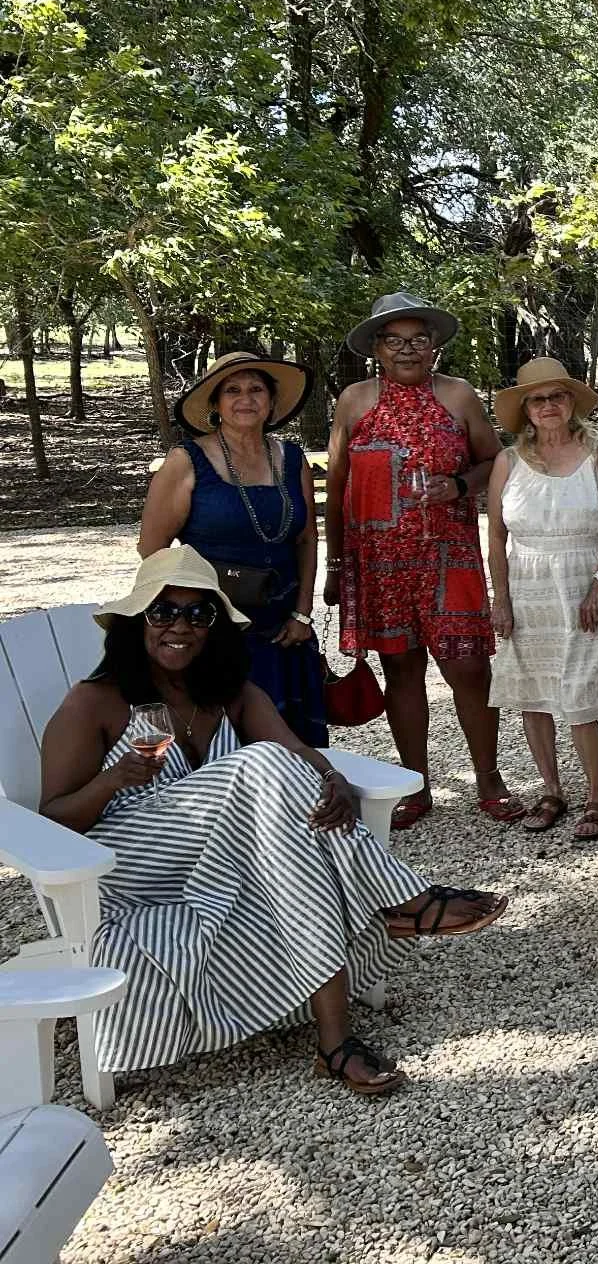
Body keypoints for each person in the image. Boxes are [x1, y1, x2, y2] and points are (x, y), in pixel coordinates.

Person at [39, 549, 508, 1096]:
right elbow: (54, 817)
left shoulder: (232, 695)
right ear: (135, 622)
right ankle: (402, 901)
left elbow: (299, 755)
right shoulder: (95, 702)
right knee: (262, 763)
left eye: (198, 614)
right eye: (162, 612)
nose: (180, 627)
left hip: (216, 865)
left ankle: (335, 1043)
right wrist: (113, 780)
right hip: (127, 867)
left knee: (294, 835)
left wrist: (332, 779)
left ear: (215, 627)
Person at [325, 292, 514, 828]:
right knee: (401, 672)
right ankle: (415, 785)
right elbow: (336, 488)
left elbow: (494, 460)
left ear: (434, 347)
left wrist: (458, 485)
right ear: (376, 349)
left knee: (468, 668)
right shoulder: (354, 400)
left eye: (418, 339)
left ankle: (489, 779)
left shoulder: (457, 395)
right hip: (378, 563)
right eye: (394, 340)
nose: (407, 349)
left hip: (448, 556)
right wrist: (336, 565)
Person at [139, 351, 326, 746]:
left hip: (282, 627)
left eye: (256, 389)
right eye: (232, 390)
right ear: (215, 404)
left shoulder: (292, 459)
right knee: (224, 741)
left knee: (291, 743)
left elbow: (307, 538)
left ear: (271, 402)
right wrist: (189, 621)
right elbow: (152, 550)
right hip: (213, 627)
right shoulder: (186, 461)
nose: (246, 399)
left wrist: (302, 613)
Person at [486, 359, 598, 841]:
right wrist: (500, 599)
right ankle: (551, 790)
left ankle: (597, 795)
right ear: (525, 409)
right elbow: (496, 536)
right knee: (534, 694)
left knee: (580, 694)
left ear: (572, 403)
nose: (548, 405)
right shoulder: (508, 461)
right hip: (525, 585)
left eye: (557, 396)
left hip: (578, 581)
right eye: (537, 399)